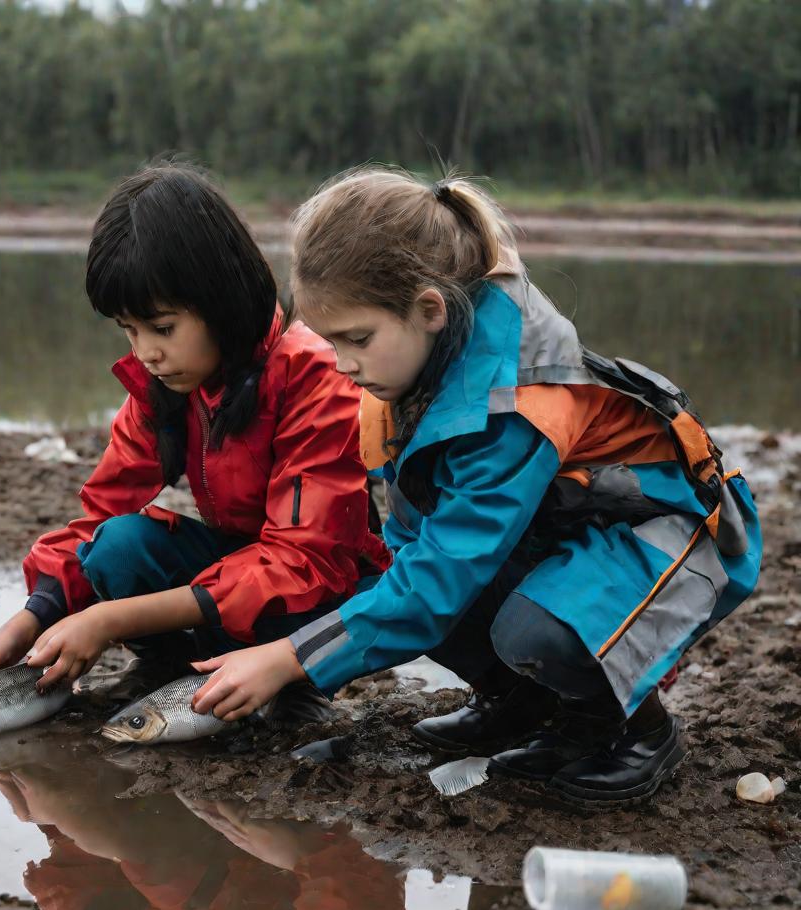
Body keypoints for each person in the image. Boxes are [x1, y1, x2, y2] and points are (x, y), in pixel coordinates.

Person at [192, 167, 762, 805]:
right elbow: (416, 543)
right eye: (329, 342)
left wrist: (287, 659)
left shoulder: (514, 406)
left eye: (357, 339)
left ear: (430, 310)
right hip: (569, 531)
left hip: (673, 538)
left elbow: (438, 585)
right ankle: (521, 701)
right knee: (404, 572)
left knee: (532, 630)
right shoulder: (403, 373)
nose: (341, 364)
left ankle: (638, 730)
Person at [0, 164, 388, 694]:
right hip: (238, 569)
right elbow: (103, 510)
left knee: (284, 604)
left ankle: (282, 684)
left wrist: (109, 620)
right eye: (129, 330)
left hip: (324, 593)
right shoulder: (164, 383)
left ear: (221, 300)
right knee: (116, 547)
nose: (146, 353)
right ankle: (178, 671)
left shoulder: (313, 374)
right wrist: (32, 616)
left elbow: (303, 559)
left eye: (163, 328)